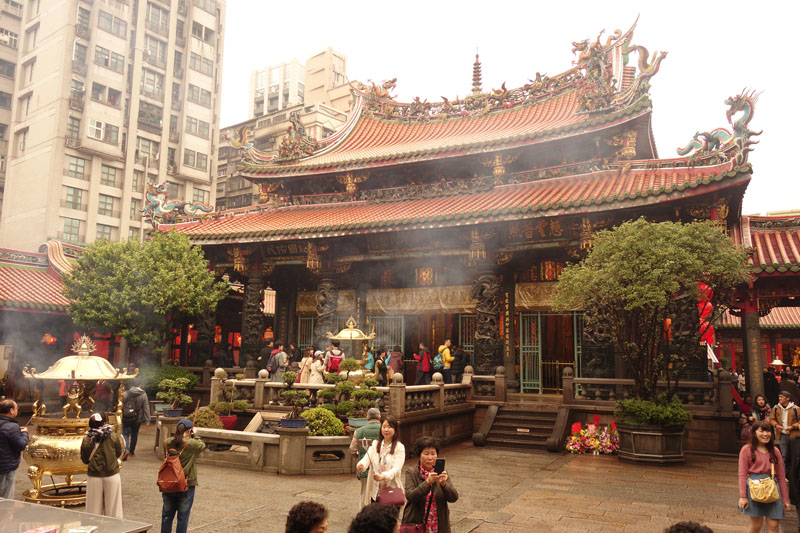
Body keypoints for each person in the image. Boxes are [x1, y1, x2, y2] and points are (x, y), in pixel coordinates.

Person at [738, 420, 790, 532]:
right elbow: (742, 475)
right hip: (754, 488)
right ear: (755, 433)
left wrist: (785, 499)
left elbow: (781, 476)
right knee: (756, 525)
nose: (765, 434)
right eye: (762, 431)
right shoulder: (746, 450)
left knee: (774, 525)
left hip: (773, 488)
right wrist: (743, 496)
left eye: (768, 431)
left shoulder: (775, 451)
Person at [403, 436, 458, 532]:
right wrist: (427, 483)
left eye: (433, 454)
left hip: (438, 525)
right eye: (426, 454)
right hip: (418, 526)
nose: (430, 457)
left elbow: (454, 498)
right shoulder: (411, 472)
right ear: (419, 455)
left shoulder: (441, 473)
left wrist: (444, 484)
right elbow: (410, 496)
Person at [161, 418, 206, 533]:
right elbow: (202, 445)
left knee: (167, 516)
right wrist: (195, 435)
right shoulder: (191, 444)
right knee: (183, 517)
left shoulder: (167, 442)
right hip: (185, 483)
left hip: (169, 483)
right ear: (189, 430)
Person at [81, 412, 123, 518]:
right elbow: (118, 453)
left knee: (93, 510)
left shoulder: (87, 439)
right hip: (112, 474)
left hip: (94, 476)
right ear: (105, 422)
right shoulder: (112, 436)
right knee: (114, 509)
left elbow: (85, 459)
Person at [357, 415, 405, 509]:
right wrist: (361, 465)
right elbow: (367, 457)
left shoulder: (399, 447)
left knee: (390, 521)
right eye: (384, 426)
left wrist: (383, 476)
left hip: (391, 491)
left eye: (390, 427)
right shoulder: (375, 444)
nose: (386, 429)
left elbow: (396, 469)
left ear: (395, 429)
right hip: (376, 492)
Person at [350, 407, 382, 506]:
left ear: (367, 417)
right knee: (381, 494)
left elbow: (352, 450)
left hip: (365, 468)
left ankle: (363, 515)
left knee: (364, 493)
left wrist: (358, 456)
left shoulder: (359, 431)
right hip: (382, 469)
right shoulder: (385, 430)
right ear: (379, 417)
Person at [0, 399, 29, 500]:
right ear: (11, 411)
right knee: (6, 498)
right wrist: (25, 433)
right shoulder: (12, 427)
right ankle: (6, 515)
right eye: (17, 408)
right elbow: (21, 445)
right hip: (6, 467)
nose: (17, 410)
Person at [121, 378, 151, 461]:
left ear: (132, 385)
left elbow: (120, 405)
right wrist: (147, 420)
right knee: (134, 434)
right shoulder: (143, 394)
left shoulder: (125, 393)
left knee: (125, 434)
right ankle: (131, 451)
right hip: (137, 418)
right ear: (140, 385)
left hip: (126, 417)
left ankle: (126, 449)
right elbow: (146, 408)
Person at [769, 390, 799, 469]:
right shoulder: (776, 408)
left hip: (794, 435)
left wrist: (793, 426)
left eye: (782, 397)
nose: (779, 398)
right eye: (779, 397)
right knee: (784, 455)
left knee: (794, 455)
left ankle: (794, 473)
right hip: (782, 434)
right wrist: (776, 425)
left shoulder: (796, 409)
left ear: (788, 398)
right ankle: (784, 473)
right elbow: (771, 419)